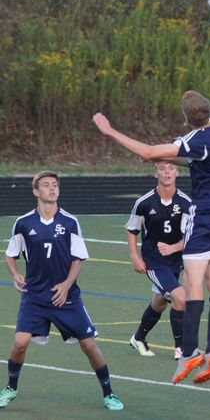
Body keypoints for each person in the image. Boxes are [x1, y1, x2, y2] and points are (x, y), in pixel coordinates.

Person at [93, 90, 210, 385]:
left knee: (190, 285)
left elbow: (147, 152)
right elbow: (192, 158)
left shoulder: (195, 141)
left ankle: (189, 351)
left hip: (205, 212)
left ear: (186, 119)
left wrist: (109, 131)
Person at [0, 171, 123, 411]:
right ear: (36, 192)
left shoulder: (70, 222)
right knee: (20, 343)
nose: (51, 189)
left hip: (65, 297)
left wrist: (66, 285)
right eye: (45, 185)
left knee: (89, 345)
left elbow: (78, 259)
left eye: (54, 185)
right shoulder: (24, 223)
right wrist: (15, 275)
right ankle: (11, 388)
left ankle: (109, 393)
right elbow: (10, 254)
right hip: (34, 296)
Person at [126, 161, 191, 360]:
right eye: (162, 169)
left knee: (160, 303)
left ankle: (138, 338)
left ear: (177, 172)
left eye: (171, 168)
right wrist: (135, 257)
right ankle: (181, 349)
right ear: (156, 174)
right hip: (154, 261)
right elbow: (132, 230)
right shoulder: (144, 203)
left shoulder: (186, 202)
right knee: (181, 299)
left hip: (175, 261)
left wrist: (173, 248)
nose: (167, 172)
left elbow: (190, 236)